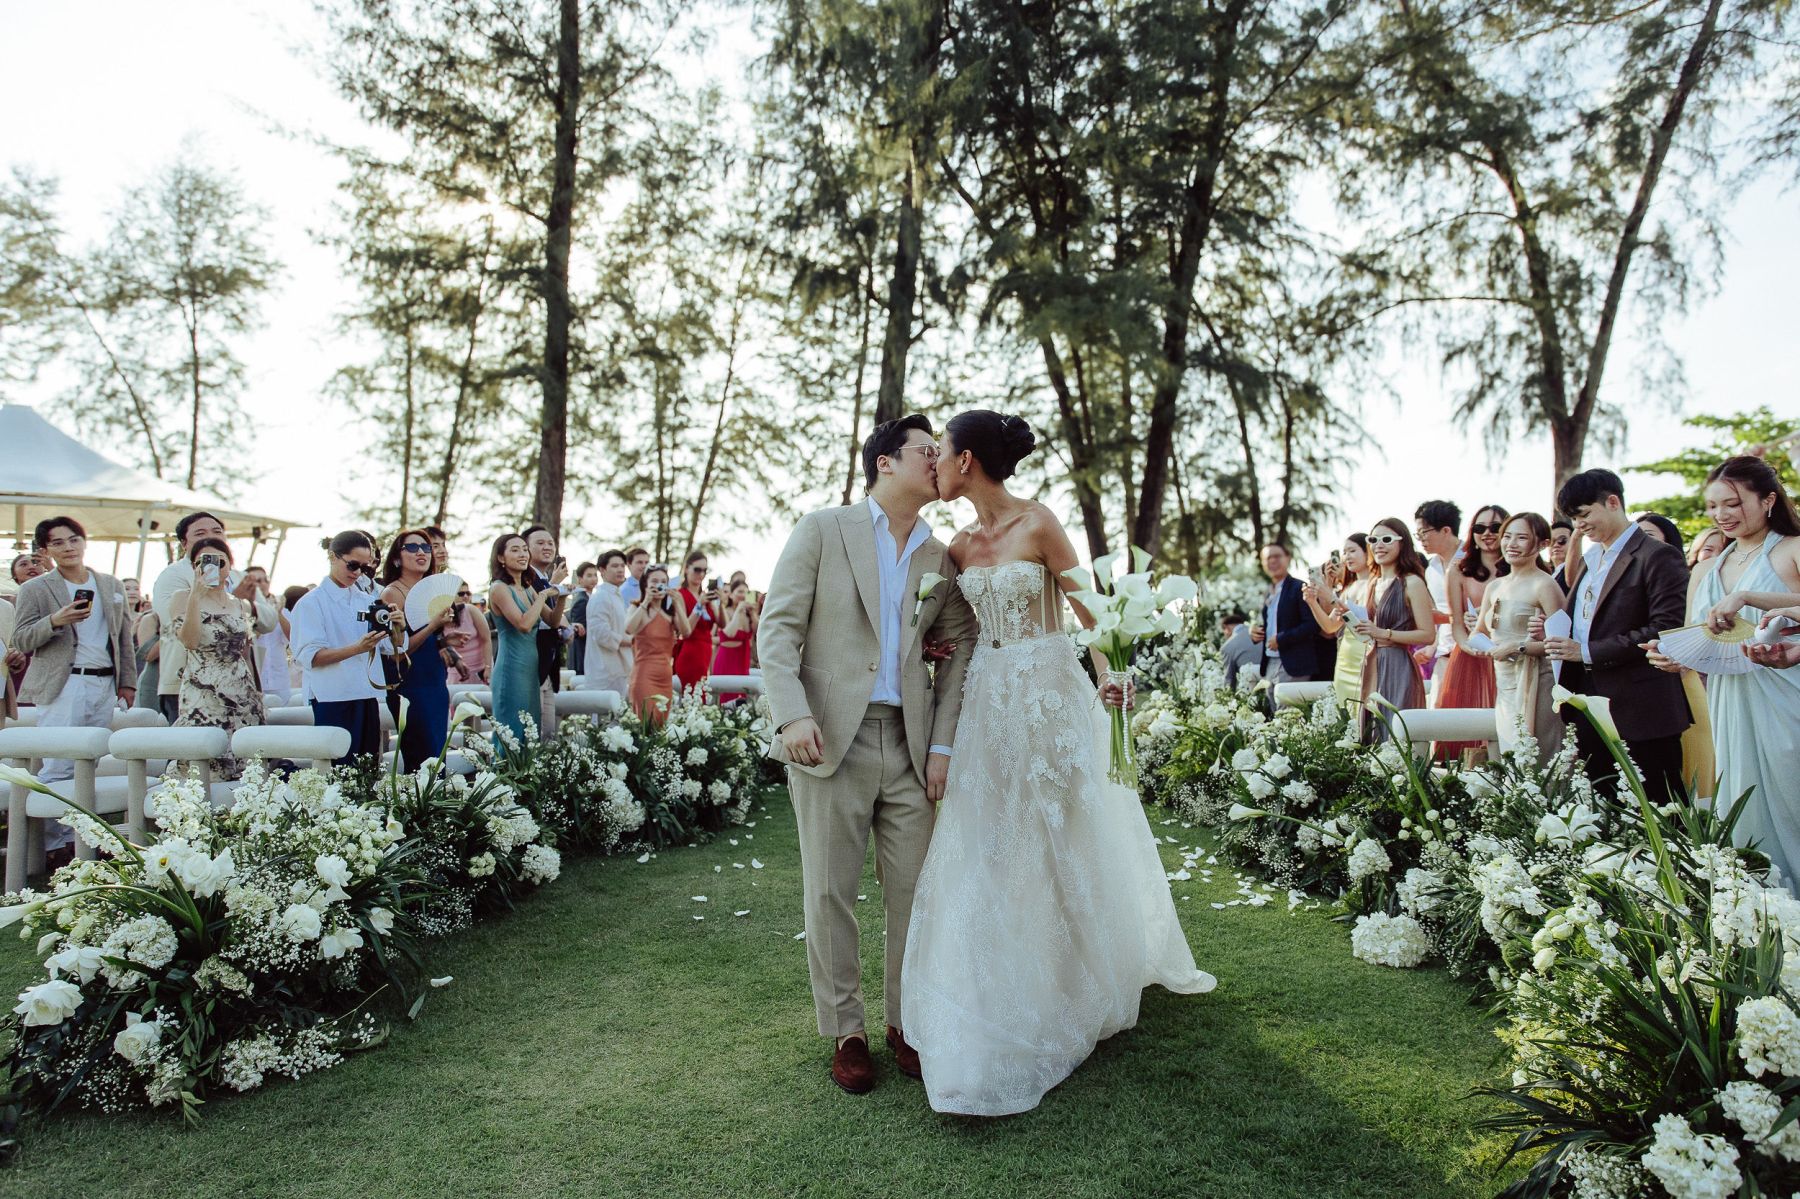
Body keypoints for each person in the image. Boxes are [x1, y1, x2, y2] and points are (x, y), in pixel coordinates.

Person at [888, 410, 1212, 1116]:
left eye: (939, 452)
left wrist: (1110, 674)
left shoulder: (1038, 523)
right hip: (987, 702)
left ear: (966, 459)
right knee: (996, 844)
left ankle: (1081, 975)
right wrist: (940, 649)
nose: (934, 462)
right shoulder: (958, 547)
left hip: (1051, 696)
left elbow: (1093, 612)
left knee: (1065, 831)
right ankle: (1008, 975)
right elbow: (955, 627)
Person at [760, 414, 968, 1096]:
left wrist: (941, 742)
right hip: (827, 739)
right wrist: (791, 714)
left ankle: (904, 1021)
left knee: (915, 891)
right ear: (885, 462)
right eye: (925, 451)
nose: (937, 460)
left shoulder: (940, 555)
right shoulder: (823, 529)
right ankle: (847, 1029)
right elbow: (779, 629)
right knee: (830, 890)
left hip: (909, 744)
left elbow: (959, 642)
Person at [1647, 456, 1800, 889]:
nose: (1721, 515)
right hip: (1732, 697)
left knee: (1793, 792)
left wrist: (1750, 595)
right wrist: (1676, 653)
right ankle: (1766, 909)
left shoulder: (1792, 548)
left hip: (1787, 693)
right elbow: (1703, 634)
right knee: (1742, 798)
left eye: (1732, 503)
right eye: (1714, 506)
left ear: (1768, 500)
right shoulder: (1711, 566)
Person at [1534, 468, 1690, 805]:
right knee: (1604, 807)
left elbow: (1664, 627)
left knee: (1663, 808)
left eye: (1585, 514)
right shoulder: (1591, 559)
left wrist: (1586, 650)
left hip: (1642, 704)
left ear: (1613, 502)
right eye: (1574, 518)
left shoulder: (1658, 555)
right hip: (1588, 701)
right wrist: (1556, 630)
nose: (1579, 526)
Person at [10, 516, 134, 859]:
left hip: (104, 680)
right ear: (46, 550)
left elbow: (124, 637)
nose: (68, 547)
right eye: (58, 542)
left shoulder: (109, 585)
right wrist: (55, 620)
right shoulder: (36, 588)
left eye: (73, 539)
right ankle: (54, 844)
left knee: (89, 761)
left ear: (84, 541)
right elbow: (20, 638)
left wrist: (127, 682)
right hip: (62, 683)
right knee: (60, 763)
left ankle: (81, 838)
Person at [153, 512, 278, 723]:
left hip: (239, 684)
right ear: (184, 543)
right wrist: (200, 596)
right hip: (192, 683)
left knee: (244, 750)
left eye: (217, 531)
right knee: (197, 749)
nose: (210, 536)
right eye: (200, 533)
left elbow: (268, 620)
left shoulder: (236, 576)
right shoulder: (173, 576)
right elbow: (177, 628)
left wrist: (240, 604)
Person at [290, 531, 393, 765]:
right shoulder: (311, 603)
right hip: (332, 696)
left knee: (367, 770)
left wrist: (396, 625)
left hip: (366, 693)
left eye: (365, 568)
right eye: (352, 565)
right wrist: (357, 648)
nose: (357, 573)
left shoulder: (368, 601)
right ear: (333, 557)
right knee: (338, 769)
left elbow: (388, 647)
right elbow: (311, 656)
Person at [1472, 514, 1564, 764]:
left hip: (1537, 681)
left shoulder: (1544, 585)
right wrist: (1484, 646)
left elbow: (1562, 644)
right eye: (1508, 536)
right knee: (1510, 754)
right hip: (1504, 679)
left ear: (1542, 544)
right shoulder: (1495, 586)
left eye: (1521, 537)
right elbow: (1479, 631)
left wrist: (1518, 647)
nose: (1511, 544)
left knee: (1540, 754)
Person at [169, 538, 265, 778]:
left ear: (230, 566)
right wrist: (195, 596)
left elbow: (243, 650)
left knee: (245, 763)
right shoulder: (182, 597)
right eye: (201, 562)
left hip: (242, 690)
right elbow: (189, 642)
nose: (212, 568)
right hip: (204, 692)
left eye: (219, 562)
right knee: (205, 763)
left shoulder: (238, 604)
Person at [379, 529, 458, 770]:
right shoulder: (392, 592)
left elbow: (427, 637)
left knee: (438, 751)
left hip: (434, 677)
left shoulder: (429, 589)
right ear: (396, 558)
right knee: (422, 756)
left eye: (425, 547)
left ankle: (441, 806)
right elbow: (396, 653)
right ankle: (422, 807)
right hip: (410, 682)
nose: (421, 552)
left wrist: (446, 638)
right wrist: (434, 624)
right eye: (412, 548)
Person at [1435, 505, 1507, 761]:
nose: (1487, 533)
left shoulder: (1519, 567)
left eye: (1495, 528)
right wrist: (1469, 645)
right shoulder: (1458, 570)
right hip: (1470, 656)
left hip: (1511, 656)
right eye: (1479, 528)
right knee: (1462, 727)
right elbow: (1455, 623)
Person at [1352, 519, 1434, 743]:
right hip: (1372, 662)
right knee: (1371, 729)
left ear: (1402, 543)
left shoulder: (1412, 583)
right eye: (1373, 539)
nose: (1379, 545)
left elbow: (1428, 634)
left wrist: (1383, 633)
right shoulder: (1372, 583)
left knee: (1395, 729)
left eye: (1387, 539)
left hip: (1399, 664)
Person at [487, 533, 563, 746]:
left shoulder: (528, 587)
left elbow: (553, 620)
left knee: (530, 734)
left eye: (524, 549)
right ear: (501, 558)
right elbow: (523, 624)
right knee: (511, 733)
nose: (523, 554)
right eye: (515, 550)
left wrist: (562, 597)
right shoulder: (499, 588)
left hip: (531, 670)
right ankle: (502, 779)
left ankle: (526, 777)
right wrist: (541, 596)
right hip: (511, 668)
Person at [1302, 535, 1371, 707]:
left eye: (1353, 551)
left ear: (1368, 552)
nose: (1347, 556)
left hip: (1366, 657)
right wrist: (1311, 601)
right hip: (1344, 659)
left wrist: (1331, 596)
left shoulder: (1376, 585)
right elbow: (1330, 626)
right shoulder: (1348, 590)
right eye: (1345, 552)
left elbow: (1364, 624)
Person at [625, 564, 691, 724]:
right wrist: (646, 601)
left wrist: (678, 604)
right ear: (646, 584)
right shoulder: (637, 607)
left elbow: (686, 632)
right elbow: (629, 629)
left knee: (660, 726)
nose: (659, 585)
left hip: (665, 676)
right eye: (654, 581)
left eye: (663, 581)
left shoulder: (670, 612)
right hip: (644, 674)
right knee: (646, 724)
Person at [520, 525, 569, 738]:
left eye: (550, 543)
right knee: (535, 734)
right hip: (532, 665)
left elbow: (554, 620)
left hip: (548, 666)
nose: (547, 547)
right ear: (526, 549)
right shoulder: (525, 581)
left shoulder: (543, 581)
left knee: (548, 734)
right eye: (540, 543)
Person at [1250, 543, 1322, 684]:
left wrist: (1281, 639)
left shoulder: (1299, 588)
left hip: (1294, 665)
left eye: (1277, 556)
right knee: (1273, 706)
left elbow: (1312, 625)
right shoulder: (1267, 592)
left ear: (1288, 558)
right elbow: (1274, 625)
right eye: (1268, 558)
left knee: (1288, 706)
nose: (1272, 561)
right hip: (1270, 661)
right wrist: (1256, 633)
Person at [1413, 501, 1463, 695]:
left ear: (1446, 530)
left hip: (1474, 651)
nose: (1421, 539)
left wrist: (1446, 618)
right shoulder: (1431, 569)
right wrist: (1432, 647)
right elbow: (1441, 617)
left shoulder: (1472, 561)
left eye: (1424, 533)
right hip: (1444, 651)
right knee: (1438, 709)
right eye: (1418, 534)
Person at [583, 550, 633, 697]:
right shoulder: (601, 597)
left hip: (619, 668)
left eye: (622, 566)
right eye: (615, 566)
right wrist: (633, 641)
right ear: (602, 570)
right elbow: (602, 635)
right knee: (605, 718)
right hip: (604, 670)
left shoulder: (614, 595)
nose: (620, 570)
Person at [240, 565, 291, 705]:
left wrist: (277, 613)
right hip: (255, 680)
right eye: (257, 580)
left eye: (265, 580)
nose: (263, 584)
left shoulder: (281, 608)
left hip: (279, 680)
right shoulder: (241, 608)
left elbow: (292, 638)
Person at [673, 551, 719, 694]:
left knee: (702, 695)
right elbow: (685, 631)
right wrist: (699, 606)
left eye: (704, 570)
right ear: (686, 568)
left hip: (706, 651)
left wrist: (720, 603)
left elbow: (723, 624)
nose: (701, 574)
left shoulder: (704, 595)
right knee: (692, 696)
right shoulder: (680, 594)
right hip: (690, 651)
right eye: (697, 569)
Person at [711, 577, 757, 703]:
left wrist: (753, 614)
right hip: (727, 659)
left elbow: (757, 631)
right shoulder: (725, 612)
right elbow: (729, 633)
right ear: (731, 594)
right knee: (726, 697)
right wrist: (739, 611)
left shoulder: (749, 614)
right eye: (740, 592)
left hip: (742, 659)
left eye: (746, 592)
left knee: (741, 699)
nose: (743, 595)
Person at [445, 582, 493, 685]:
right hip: (456, 673)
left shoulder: (471, 610)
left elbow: (486, 639)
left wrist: (488, 667)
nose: (465, 596)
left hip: (480, 670)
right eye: (461, 593)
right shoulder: (441, 617)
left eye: (468, 593)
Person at [567, 561, 598, 676]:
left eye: (595, 575)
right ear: (580, 579)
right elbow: (580, 630)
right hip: (582, 654)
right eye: (589, 576)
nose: (593, 579)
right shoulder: (581, 599)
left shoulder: (590, 597)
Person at [1218, 611, 1261, 689]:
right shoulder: (1259, 633)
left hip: (1251, 688)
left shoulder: (1227, 647)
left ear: (1226, 627)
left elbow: (1229, 681)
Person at [1548, 519, 1574, 594]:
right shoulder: (1546, 574)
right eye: (1551, 542)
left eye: (1562, 540)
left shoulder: (1580, 570)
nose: (1556, 545)